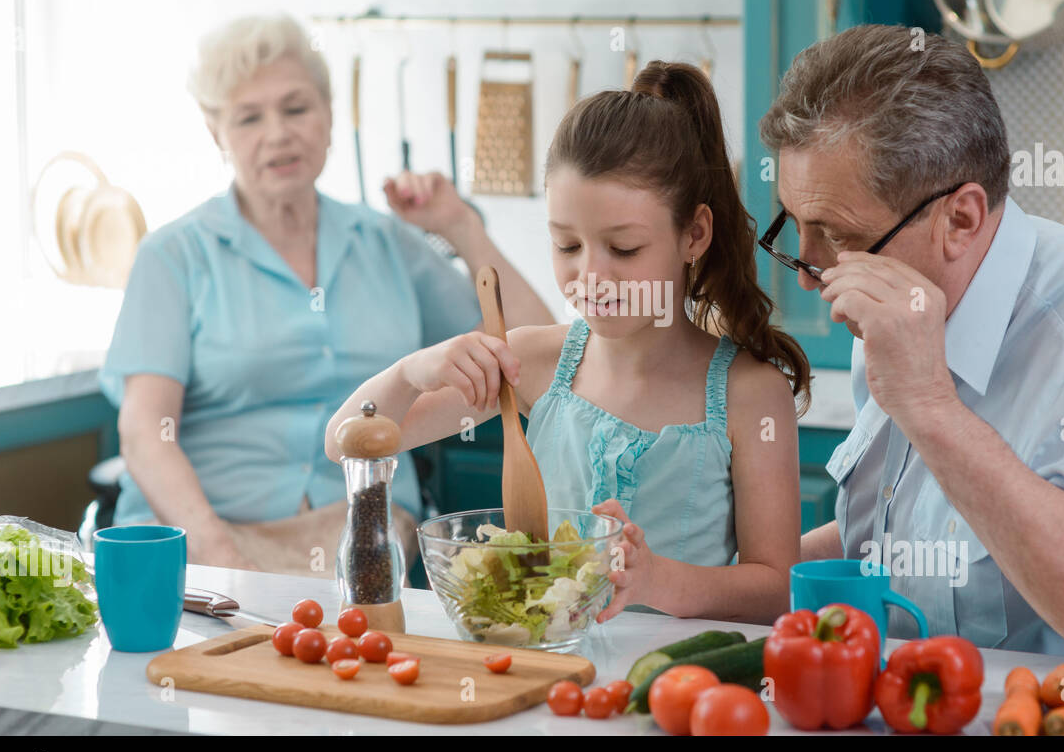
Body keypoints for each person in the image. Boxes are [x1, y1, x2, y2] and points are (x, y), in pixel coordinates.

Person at [761, 24, 1064, 680]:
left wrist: (931, 409)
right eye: (797, 227)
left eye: (839, 236)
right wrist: (724, 578)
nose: (807, 272)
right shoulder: (897, 294)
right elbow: (915, 543)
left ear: (961, 219)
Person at [329, 61, 809, 624]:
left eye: (623, 249)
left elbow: (776, 590)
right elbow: (347, 444)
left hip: (681, 693)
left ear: (694, 234)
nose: (592, 277)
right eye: (566, 246)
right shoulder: (532, 362)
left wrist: (658, 580)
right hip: (544, 683)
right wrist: (412, 372)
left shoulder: (751, 394)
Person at [99, 13, 552, 574]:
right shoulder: (172, 256)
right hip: (207, 538)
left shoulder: (387, 242)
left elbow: (538, 352)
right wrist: (222, 557)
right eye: (248, 117)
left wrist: (460, 225)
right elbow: (144, 431)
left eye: (296, 108)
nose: (278, 133)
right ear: (216, 132)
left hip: (364, 537)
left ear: (330, 115)